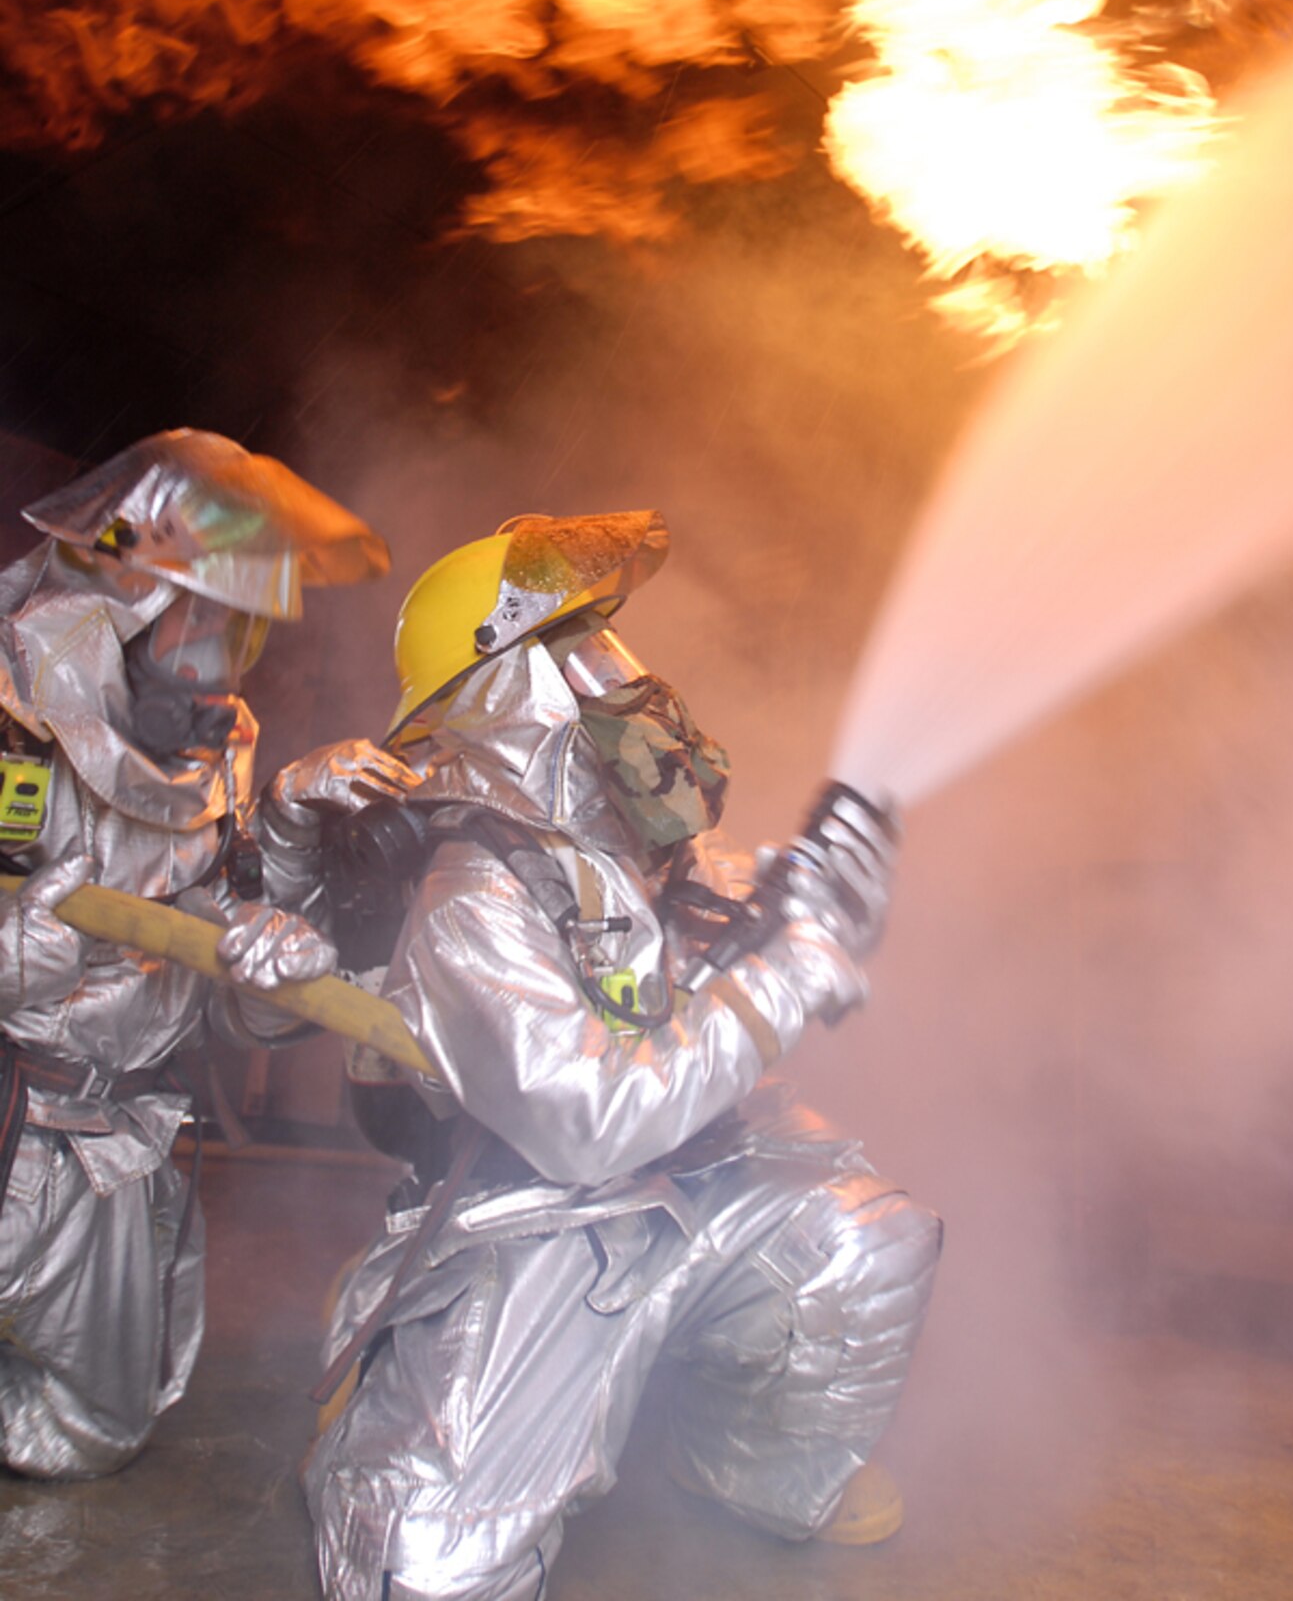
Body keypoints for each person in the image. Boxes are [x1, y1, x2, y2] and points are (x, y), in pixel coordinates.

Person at [265, 509, 942, 1601]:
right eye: (582, 647)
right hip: (537, 1216)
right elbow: (586, 1120)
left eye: (612, 640)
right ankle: (397, 1359)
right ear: (504, 694)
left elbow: (717, 945)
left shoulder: (641, 845)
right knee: (432, 1567)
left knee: (864, 1239)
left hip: (679, 1183)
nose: (629, 674)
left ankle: (740, 1467)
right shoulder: (469, 893)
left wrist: (801, 898)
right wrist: (792, 971)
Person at [0, 427, 389, 1479]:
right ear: (123, 591)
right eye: (200, 618)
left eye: (243, 628)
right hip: (10, 1108)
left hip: (103, 1144)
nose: (220, 658)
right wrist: (43, 934)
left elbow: (215, 981)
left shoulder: (217, 747)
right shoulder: (10, 713)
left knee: (85, 1432)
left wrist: (272, 961)